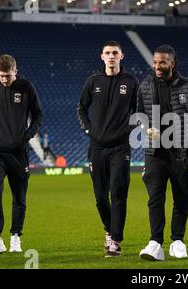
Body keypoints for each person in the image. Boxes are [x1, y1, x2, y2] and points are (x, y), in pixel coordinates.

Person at [77, 41, 139, 257]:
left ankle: (116, 240)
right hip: (96, 147)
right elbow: (81, 108)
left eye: (115, 53)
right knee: (100, 197)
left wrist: (127, 129)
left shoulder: (131, 82)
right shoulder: (93, 81)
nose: (111, 56)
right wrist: (89, 130)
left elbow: (140, 111)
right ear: (101, 56)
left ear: (122, 56)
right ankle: (109, 230)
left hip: (121, 148)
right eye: (107, 53)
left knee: (119, 193)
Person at [137, 44, 188, 261]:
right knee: (155, 199)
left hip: (180, 154)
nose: (157, 66)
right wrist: (146, 128)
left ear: (172, 63)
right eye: (155, 62)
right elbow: (138, 116)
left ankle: (178, 241)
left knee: (181, 199)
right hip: (155, 154)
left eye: (162, 62)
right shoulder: (144, 85)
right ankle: (155, 243)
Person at [0, 54, 42, 254]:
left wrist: (28, 136)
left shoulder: (26, 87)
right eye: (1, 76)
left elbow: (38, 113)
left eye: (8, 75)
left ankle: (15, 237)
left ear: (15, 71)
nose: (4, 79)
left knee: (19, 197)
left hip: (19, 152)